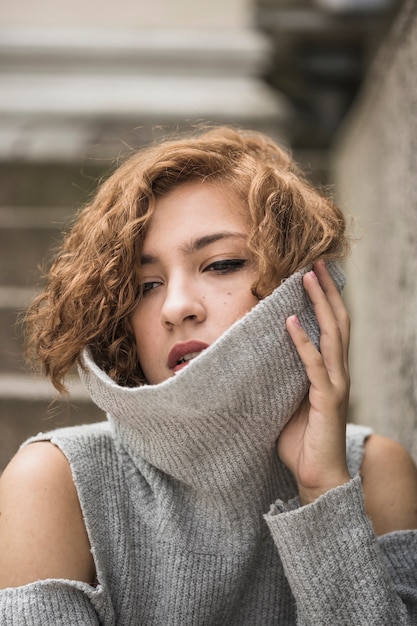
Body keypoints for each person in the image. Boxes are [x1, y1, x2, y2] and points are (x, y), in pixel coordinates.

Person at [0, 126, 416, 625]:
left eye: (222, 264)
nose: (176, 308)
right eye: (146, 285)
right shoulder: (55, 480)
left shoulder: (374, 473)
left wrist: (323, 490)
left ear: (305, 290)